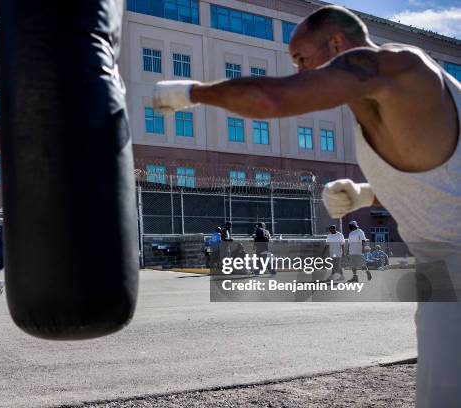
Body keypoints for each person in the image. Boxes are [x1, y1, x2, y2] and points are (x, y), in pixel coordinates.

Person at [153, 6, 461, 406]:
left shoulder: (394, 66)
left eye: (302, 59)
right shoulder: (391, 99)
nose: (300, 72)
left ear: (337, 43)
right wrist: (366, 194)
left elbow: (272, 98)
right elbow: (438, 180)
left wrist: (190, 93)